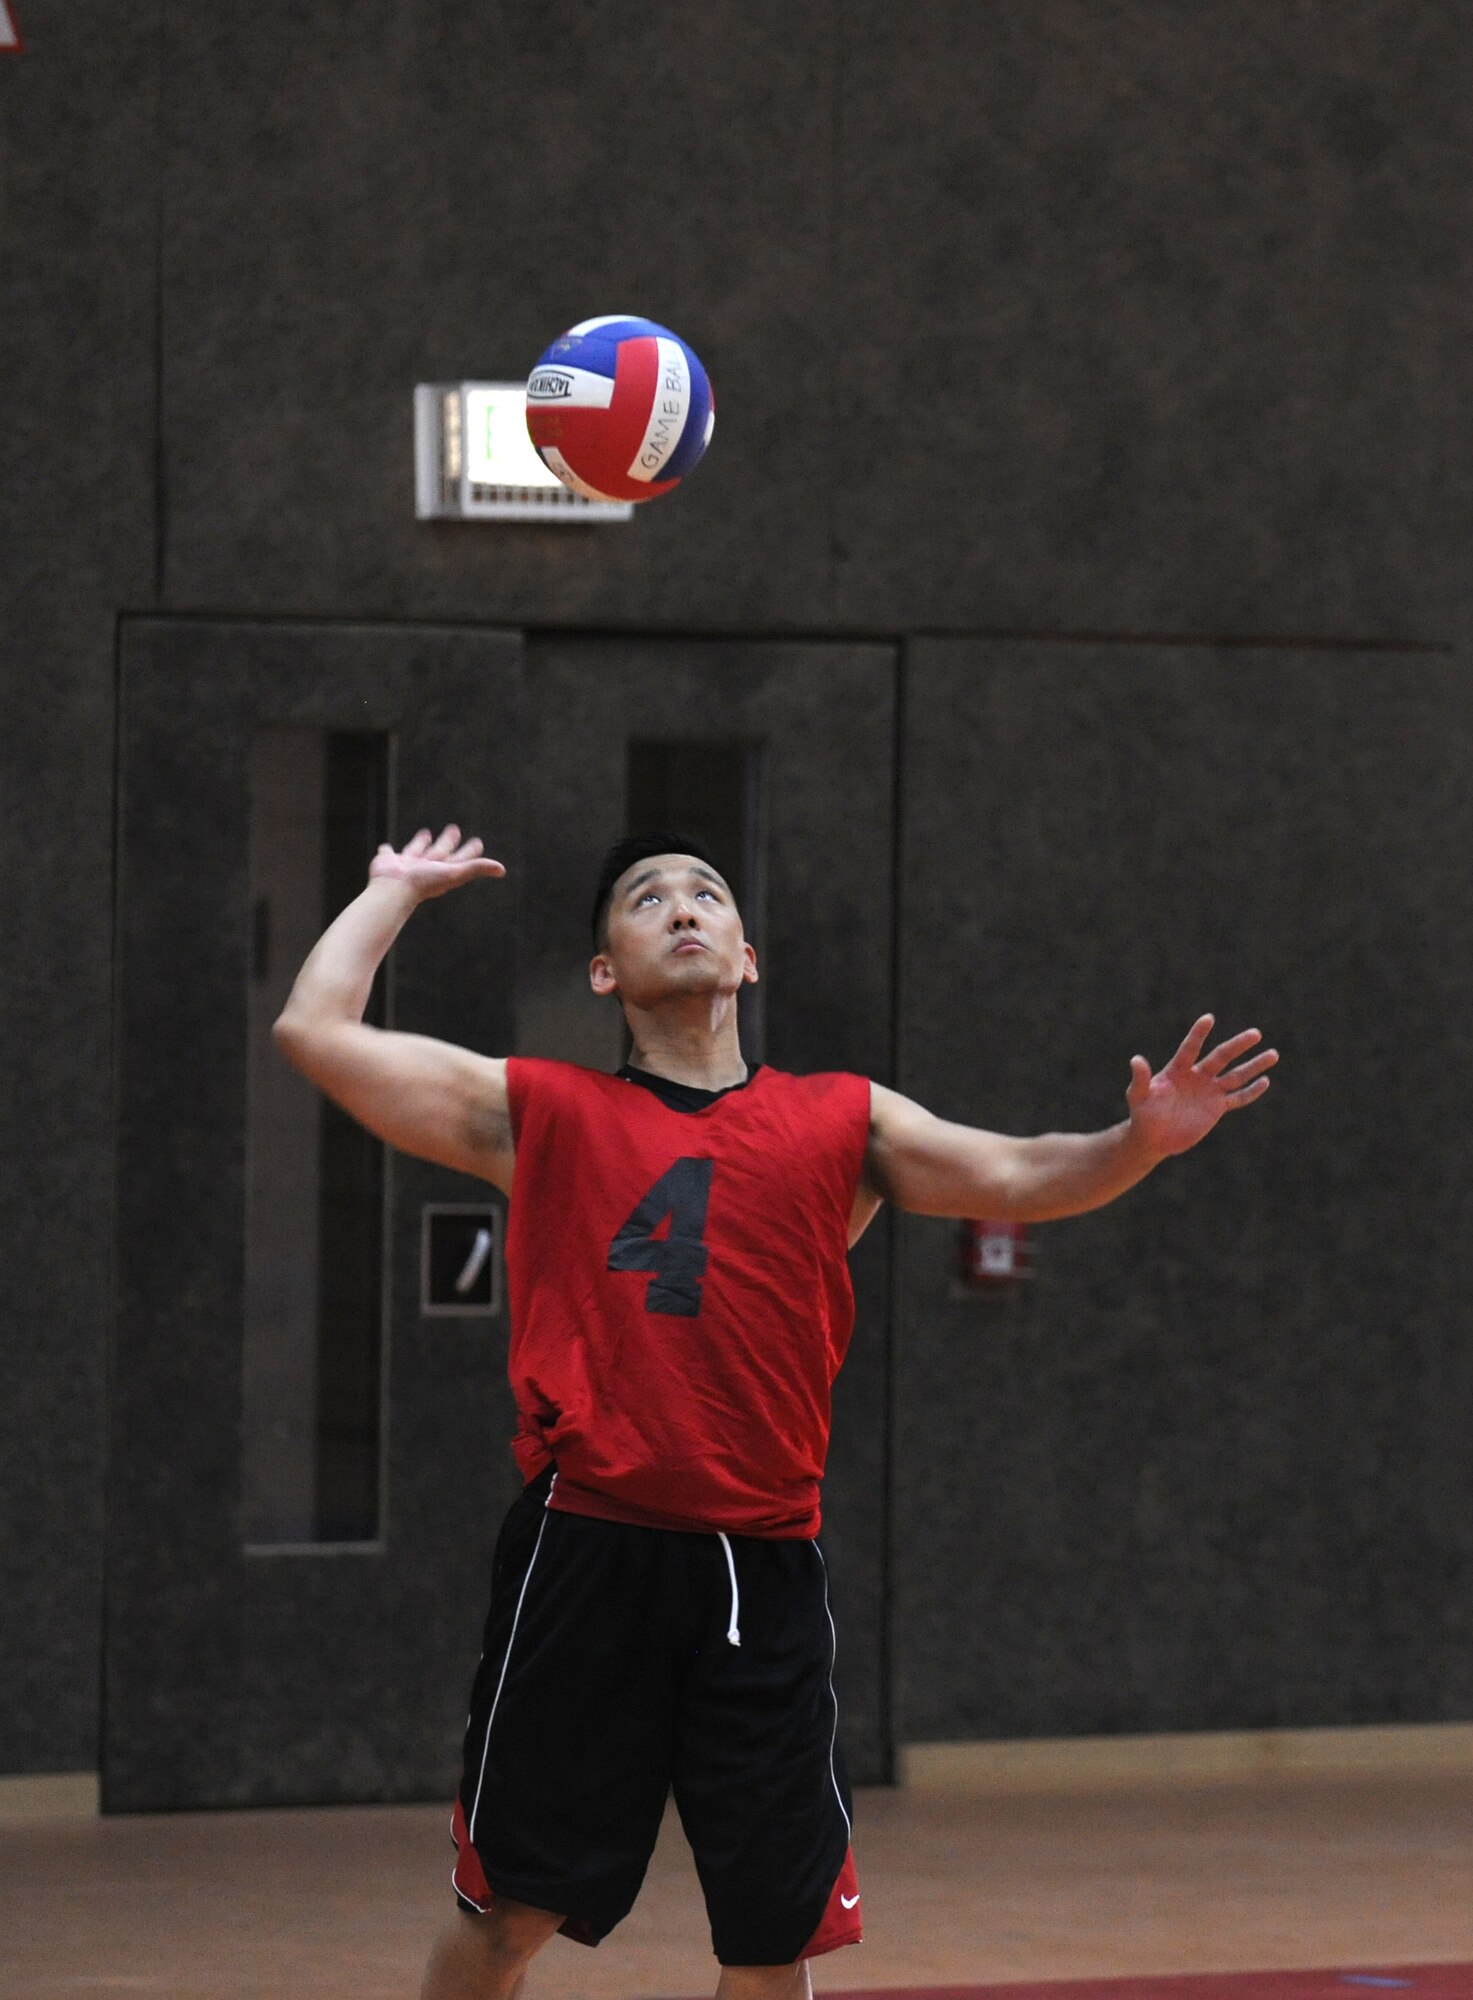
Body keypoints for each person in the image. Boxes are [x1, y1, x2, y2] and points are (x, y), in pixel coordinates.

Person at [273, 822, 1278, 2000]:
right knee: (511, 1910)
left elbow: (1016, 1173)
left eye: (708, 893)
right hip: (590, 1546)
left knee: (771, 1935)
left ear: (747, 955)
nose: (684, 908)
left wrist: (1140, 1140)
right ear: (606, 971)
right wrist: (392, 889)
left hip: (764, 1564)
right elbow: (316, 1033)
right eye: (648, 899)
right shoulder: (543, 1111)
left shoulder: (840, 1121)